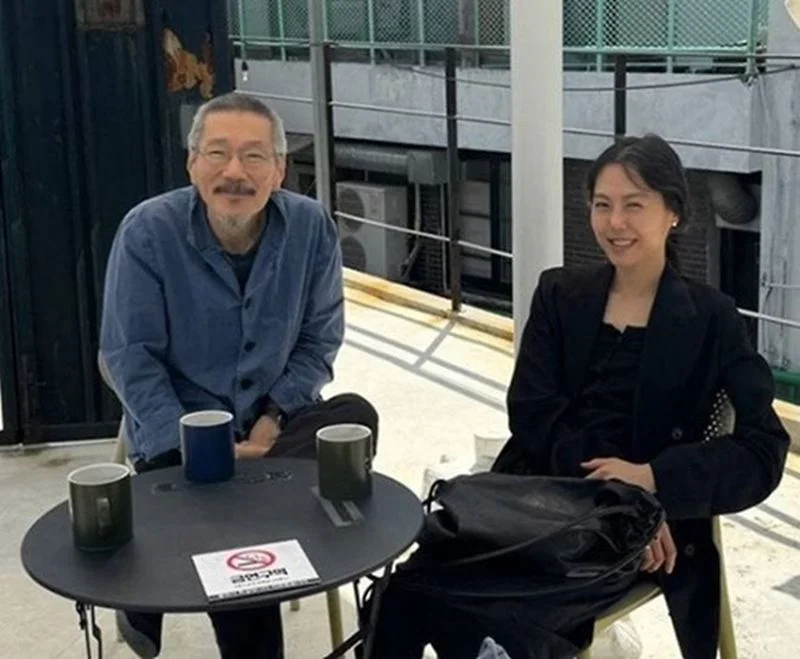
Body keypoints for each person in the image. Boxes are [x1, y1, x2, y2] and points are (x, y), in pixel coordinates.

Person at [370, 134, 789, 659]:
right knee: (402, 593)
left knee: (508, 622)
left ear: (674, 213)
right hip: (532, 502)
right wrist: (613, 495)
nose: (615, 223)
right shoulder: (560, 295)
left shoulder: (712, 318)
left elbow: (763, 447)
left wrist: (651, 482)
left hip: (634, 537)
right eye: (602, 205)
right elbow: (532, 413)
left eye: (634, 205)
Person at [99, 92, 377, 659]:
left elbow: (319, 340)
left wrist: (272, 421)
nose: (234, 172)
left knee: (354, 416)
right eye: (218, 153)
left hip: (274, 425)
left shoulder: (310, 228)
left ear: (279, 169)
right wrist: (202, 445)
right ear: (192, 163)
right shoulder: (148, 231)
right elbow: (130, 356)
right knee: (242, 522)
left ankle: (163, 543)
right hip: (178, 430)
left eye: (254, 156)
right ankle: (241, 532)